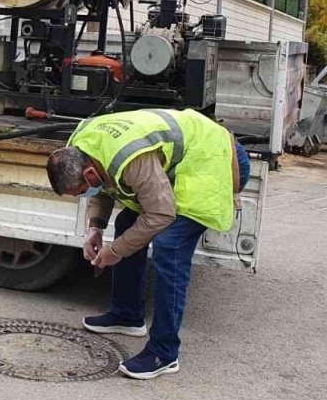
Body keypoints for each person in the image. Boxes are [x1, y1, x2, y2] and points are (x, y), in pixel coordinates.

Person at [46, 108, 250, 379]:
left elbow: (161, 214)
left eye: (81, 191)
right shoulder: (81, 147)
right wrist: (94, 229)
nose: (85, 194)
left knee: (170, 246)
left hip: (215, 159)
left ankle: (164, 353)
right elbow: (104, 187)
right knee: (127, 225)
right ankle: (127, 315)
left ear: (89, 173)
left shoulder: (130, 157)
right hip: (184, 161)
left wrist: (115, 251)